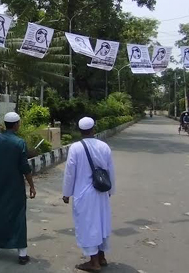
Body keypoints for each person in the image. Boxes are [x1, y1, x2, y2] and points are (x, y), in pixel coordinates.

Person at [0, 112, 36, 266]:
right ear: (16, 124)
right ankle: (22, 254)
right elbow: (25, 167)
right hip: (14, 185)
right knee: (17, 216)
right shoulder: (19, 143)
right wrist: (31, 185)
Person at [62, 117, 116, 272]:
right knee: (101, 223)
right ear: (94, 129)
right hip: (101, 192)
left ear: (80, 131)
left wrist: (66, 193)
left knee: (88, 226)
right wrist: (110, 190)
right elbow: (110, 171)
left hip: (83, 194)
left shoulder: (76, 148)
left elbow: (70, 173)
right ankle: (102, 257)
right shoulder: (104, 146)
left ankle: (94, 263)